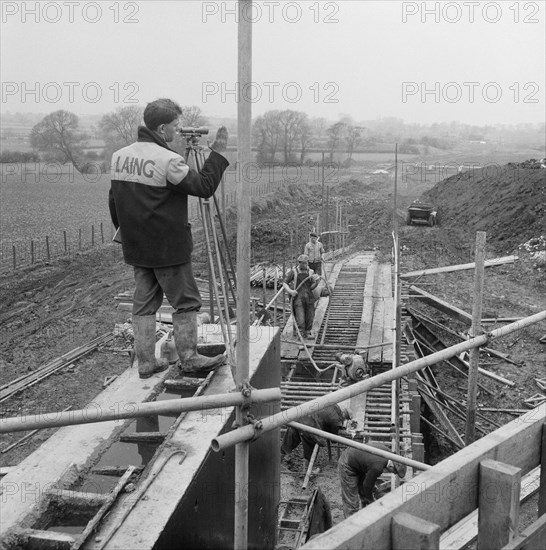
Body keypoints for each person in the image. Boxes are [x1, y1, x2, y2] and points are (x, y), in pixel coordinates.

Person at [108, 98, 230, 379]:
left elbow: (114, 201)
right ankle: (189, 357)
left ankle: (146, 363)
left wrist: (125, 233)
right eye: (175, 126)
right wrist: (218, 153)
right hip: (168, 249)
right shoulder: (169, 161)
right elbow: (203, 186)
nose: (178, 131)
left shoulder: (120, 156)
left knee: (145, 303)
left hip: (137, 246)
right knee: (187, 302)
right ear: (162, 128)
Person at [338, 444, 407, 518]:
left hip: (357, 458)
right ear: (391, 466)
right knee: (351, 500)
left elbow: (368, 482)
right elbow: (367, 485)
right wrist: (372, 501)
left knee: (365, 492)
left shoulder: (389, 453)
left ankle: (365, 511)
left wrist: (370, 492)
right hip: (348, 463)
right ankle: (350, 523)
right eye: (394, 472)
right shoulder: (377, 467)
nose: (392, 473)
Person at [281, 404, 351, 472]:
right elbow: (334, 434)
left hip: (299, 417)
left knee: (288, 441)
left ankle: (276, 462)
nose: (344, 420)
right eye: (345, 418)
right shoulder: (335, 417)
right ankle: (307, 470)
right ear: (343, 413)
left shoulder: (332, 405)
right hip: (310, 423)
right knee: (312, 444)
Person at [283, 254, 320, 339]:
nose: (305, 265)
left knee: (310, 316)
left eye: (306, 263)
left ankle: (308, 332)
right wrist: (291, 291)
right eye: (303, 263)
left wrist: (317, 282)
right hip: (298, 298)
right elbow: (285, 283)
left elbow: (311, 287)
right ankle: (300, 335)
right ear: (299, 263)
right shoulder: (294, 272)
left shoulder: (311, 272)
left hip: (309, 298)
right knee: (300, 318)